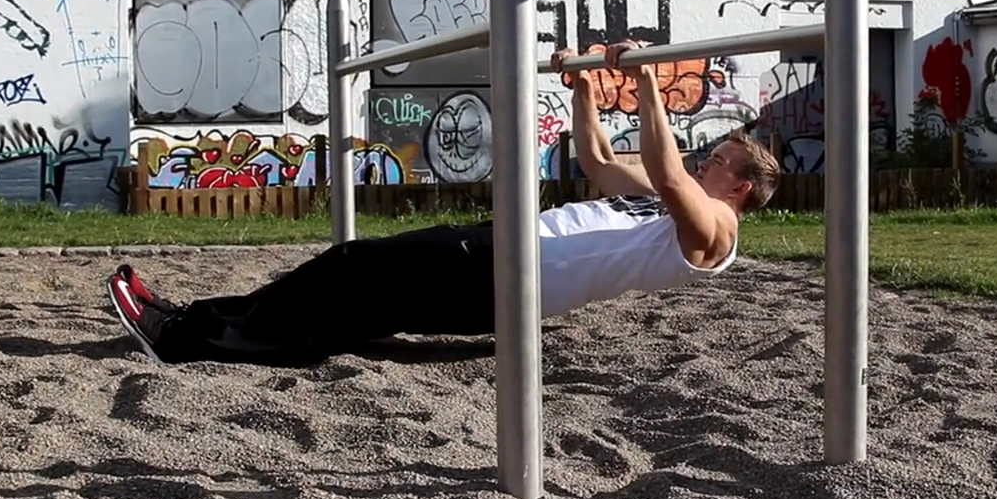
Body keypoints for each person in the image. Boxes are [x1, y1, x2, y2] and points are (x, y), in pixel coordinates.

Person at [106, 40, 782, 366]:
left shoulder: (714, 229)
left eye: (717, 158)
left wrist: (645, 81)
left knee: (353, 271)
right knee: (359, 294)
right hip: (502, 251)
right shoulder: (680, 200)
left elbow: (666, 174)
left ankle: (183, 333)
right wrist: (583, 87)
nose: (703, 160)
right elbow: (600, 163)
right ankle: (196, 331)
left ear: (742, 186)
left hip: (510, 276)